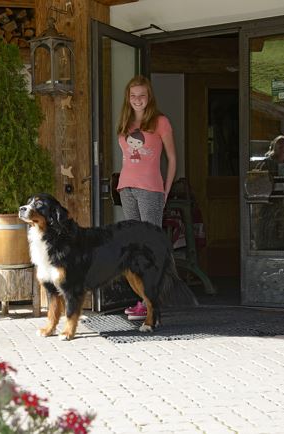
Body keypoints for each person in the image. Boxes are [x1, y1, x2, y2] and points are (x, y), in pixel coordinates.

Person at [116, 75, 177, 320]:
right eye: (133, 96)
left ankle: (151, 302)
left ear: (149, 96)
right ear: (128, 98)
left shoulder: (160, 122)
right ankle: (143, 299)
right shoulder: (125, 121)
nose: (137, 100)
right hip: (127, 188)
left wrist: (166, 190)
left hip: (150, 189)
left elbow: (172, 159)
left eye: (142, 95)